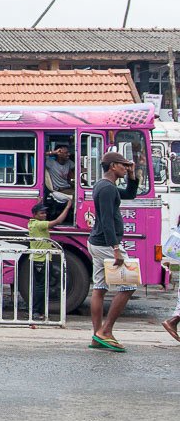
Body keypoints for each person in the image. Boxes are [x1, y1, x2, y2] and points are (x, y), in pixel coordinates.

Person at [87, 151, 139, 352]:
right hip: (107, 244)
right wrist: (116, 248)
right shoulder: (107, 189)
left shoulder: (106, 186)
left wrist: (133, 176)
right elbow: (107, 221)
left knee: (100, 288)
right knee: (130, 283)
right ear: (112, 166)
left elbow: (130, 194)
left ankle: (96, 336)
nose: (126, 168)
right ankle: (105, 331)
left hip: (98, 242)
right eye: (123, 165)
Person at [27, 199, 71, 320]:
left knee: (41, 285)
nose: (44, 215)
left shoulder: (32, 223)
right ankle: (36, 312)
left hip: (41, 258)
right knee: (41, 287)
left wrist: (39, 201)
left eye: (45, 213)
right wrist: (67, 207)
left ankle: (38, 311)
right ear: (35, 215)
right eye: (41, 213)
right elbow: (58, 221)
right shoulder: (38, 224)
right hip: (41, 259)